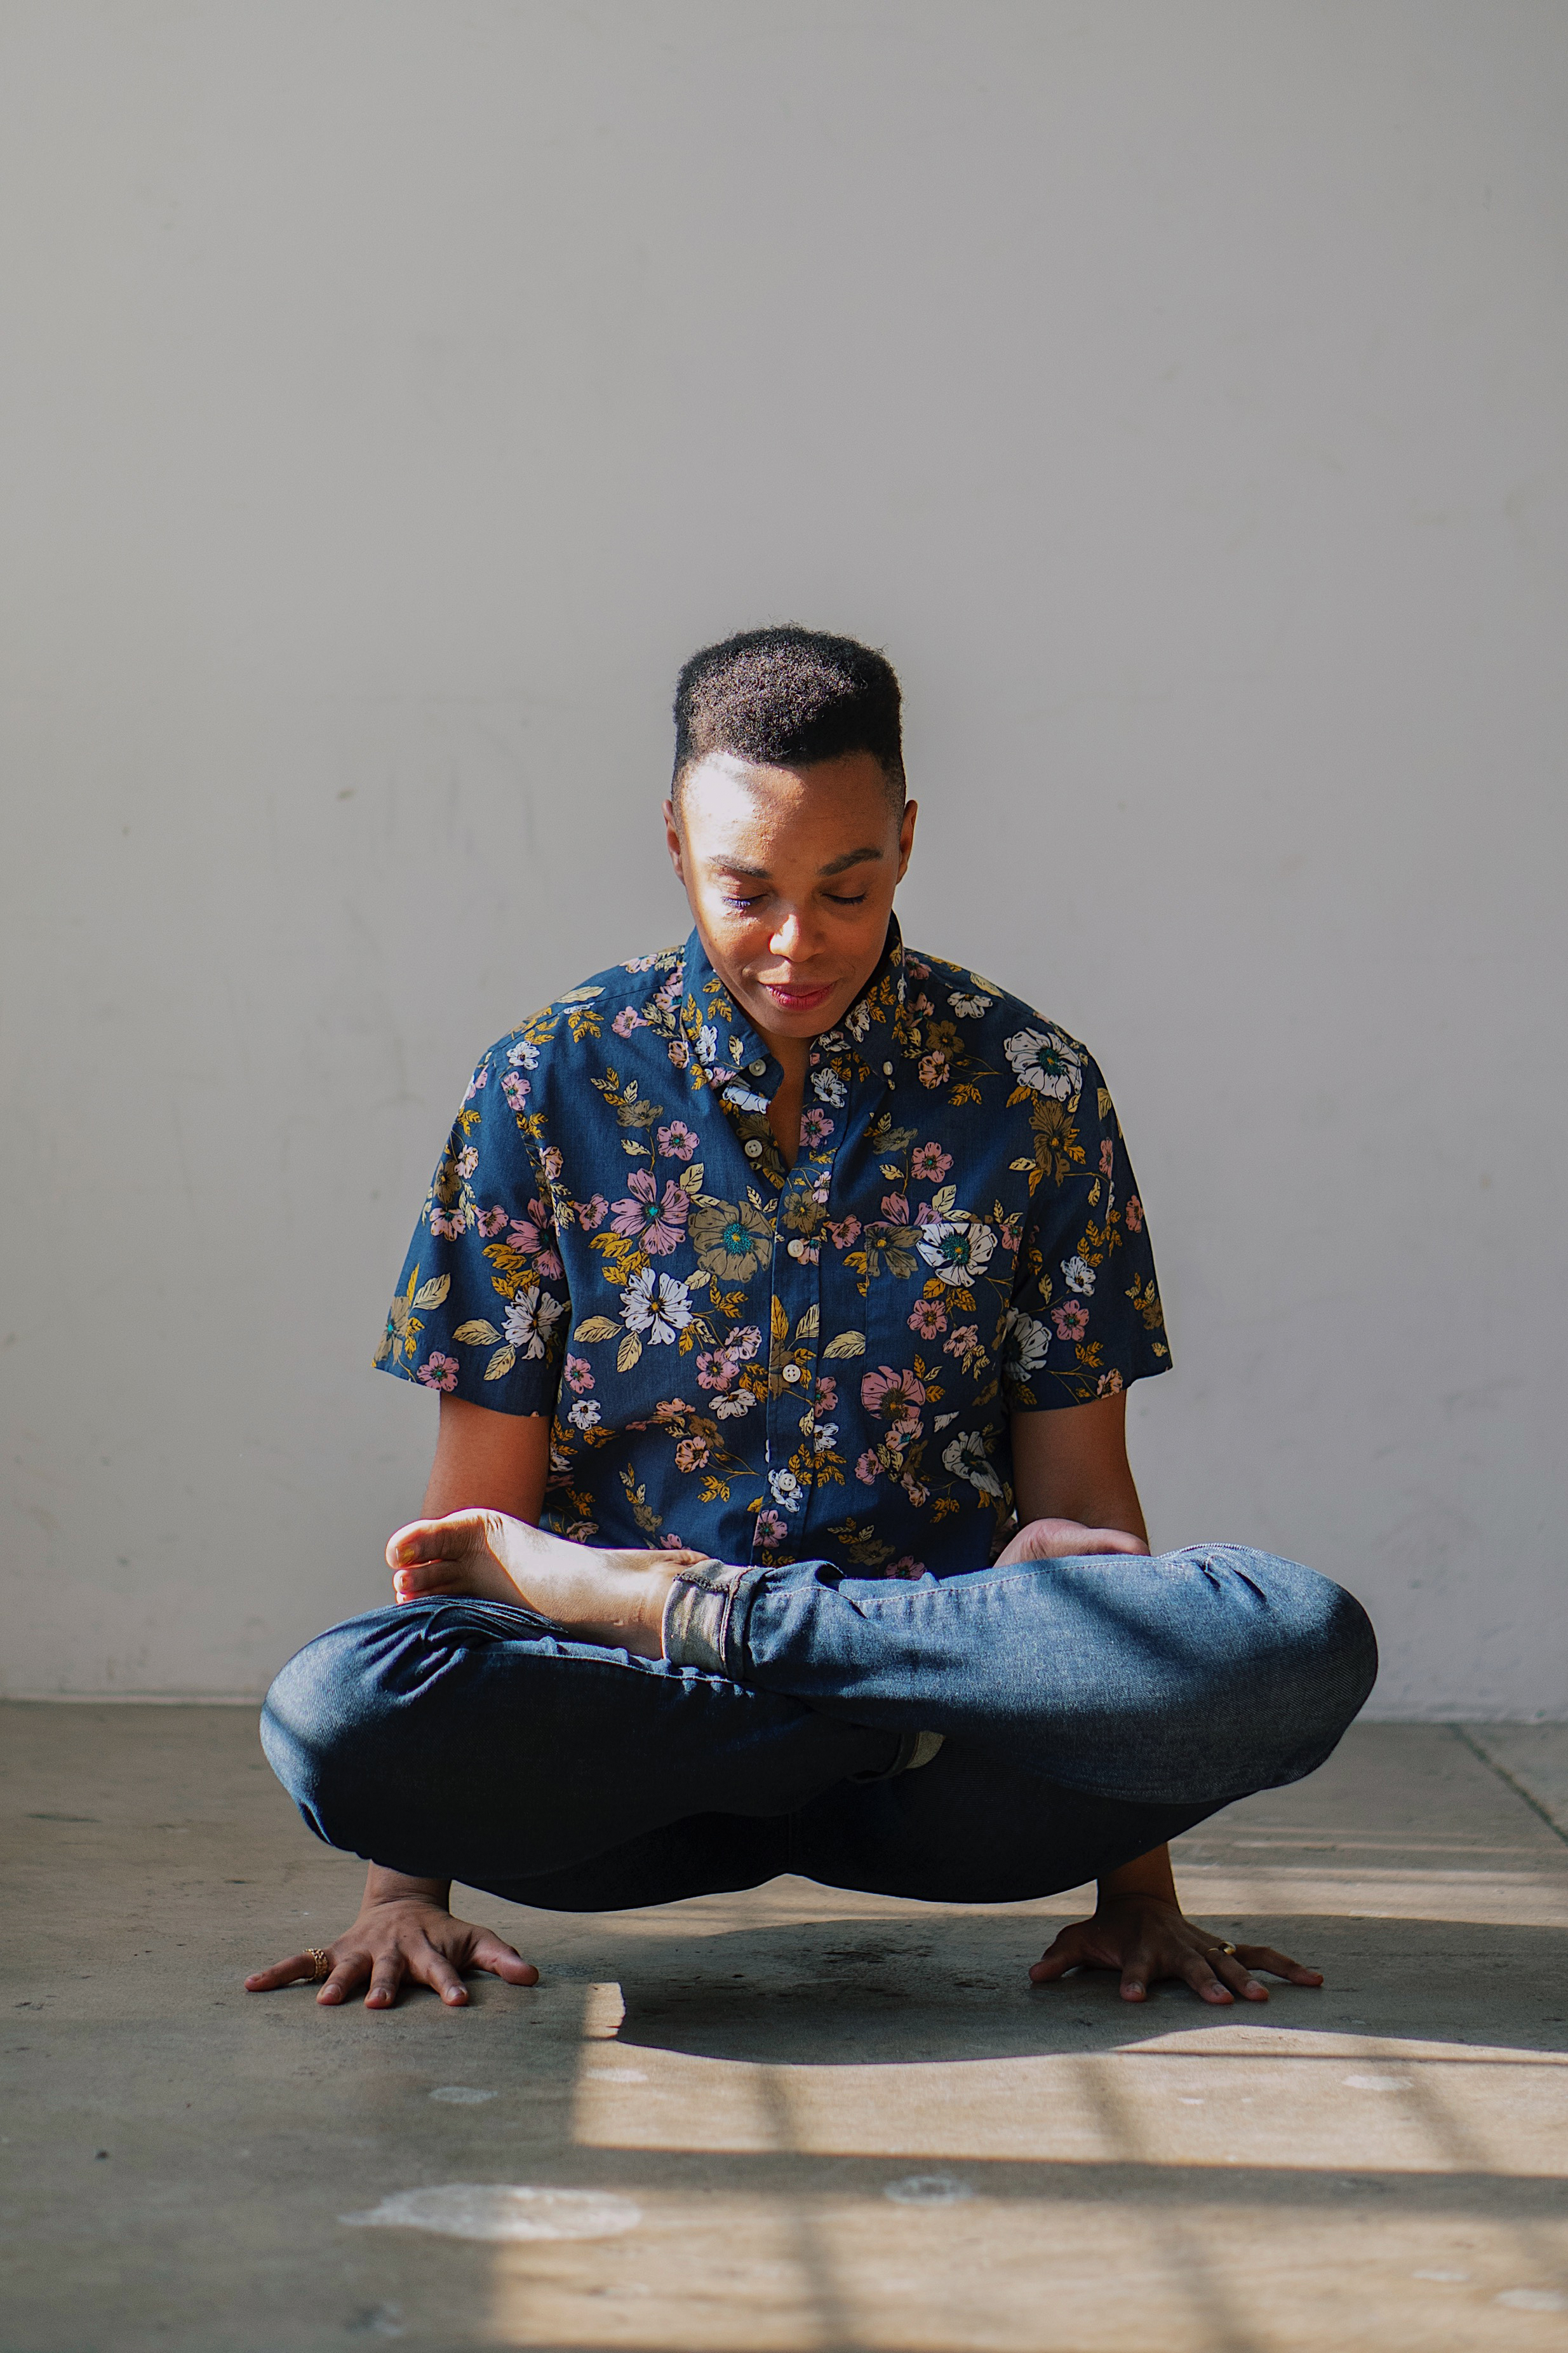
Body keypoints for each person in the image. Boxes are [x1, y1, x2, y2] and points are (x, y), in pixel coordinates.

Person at [248, 626, 1376, 2018]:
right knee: (331, 1708)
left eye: (844, 888)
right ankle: (710, 1638)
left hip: (946, 1762)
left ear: (904, 841)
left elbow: (1083, 1504)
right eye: (747, 889)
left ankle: (717, 1620)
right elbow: (474, 1547)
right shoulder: (545, 1086)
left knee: (1295, 1637)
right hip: (637, 1760)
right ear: (672, 842)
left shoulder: (1028, 1086)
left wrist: (1135, 1892)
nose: (796, 944)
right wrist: (400, 1892)